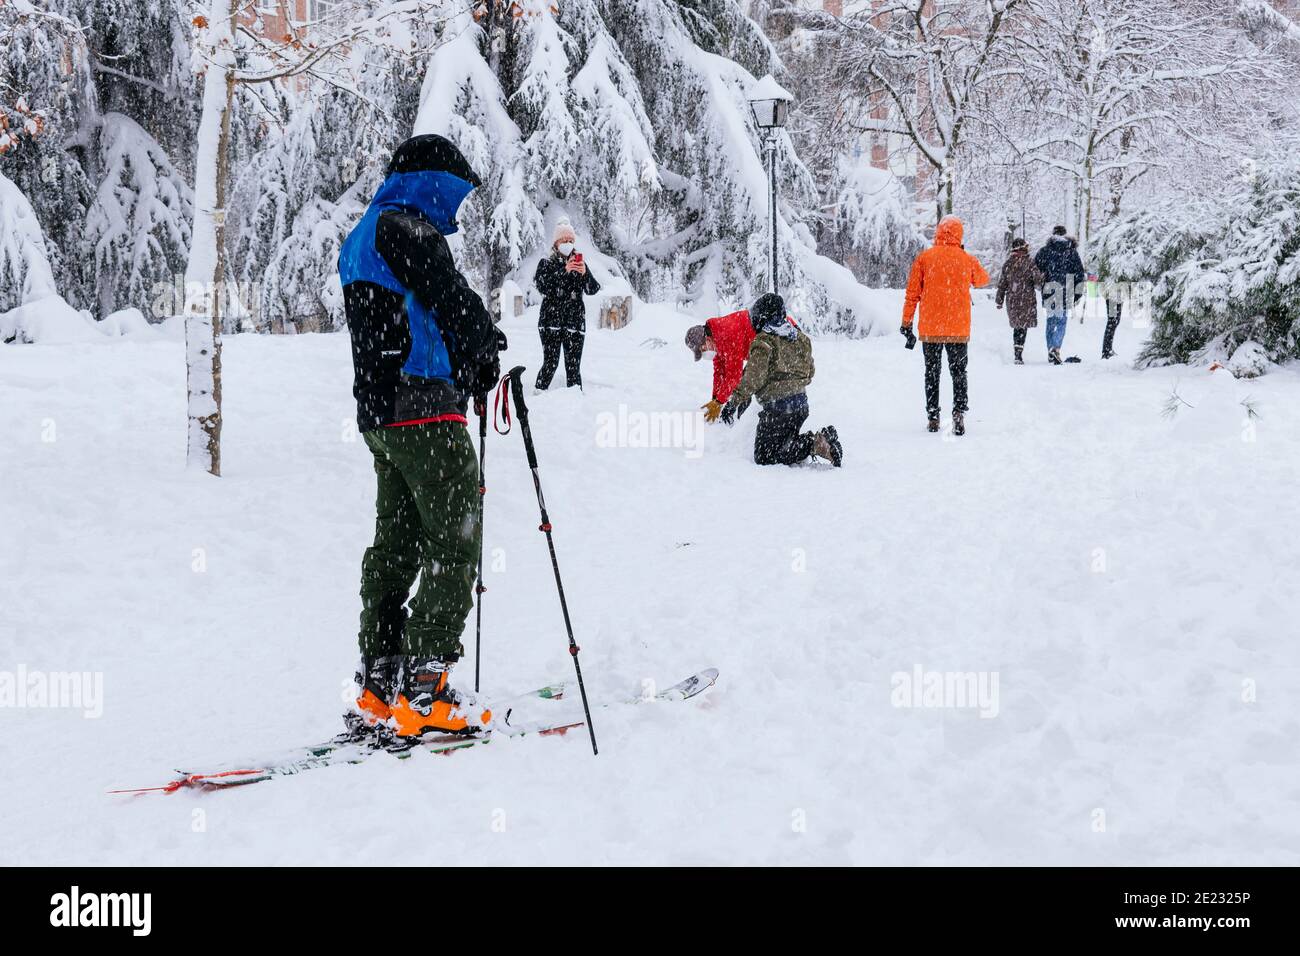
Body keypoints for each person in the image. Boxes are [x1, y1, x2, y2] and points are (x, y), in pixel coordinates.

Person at [337, 134, 504, 739]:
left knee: (396, 541)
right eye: (454, 196)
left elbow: (413, 314)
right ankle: (427, 689)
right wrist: (482, 346)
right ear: (430, 183)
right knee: (454, 537)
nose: (455, 212)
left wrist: (466, 356)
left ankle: (381, 682)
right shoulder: (405, 229)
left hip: (381, 416)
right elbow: (449, 300)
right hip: (424, 411)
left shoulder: (366, 233)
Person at [719, 292, 842, 467]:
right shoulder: (800, 338)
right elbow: (810, 372)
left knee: (765, 457)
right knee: (784, 443)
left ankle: (815, 444)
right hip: (800, 406)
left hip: (778, 409)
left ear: (762, 317)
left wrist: (733, 403)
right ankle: (818, 441)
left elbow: (753, 378)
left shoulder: (764, 341)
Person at [900, 215, 989, 435]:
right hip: (957, 329)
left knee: (932, 373)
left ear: (938, 233)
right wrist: (962, 255)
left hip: (931, 329)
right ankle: (958, 412)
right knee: (959, 372)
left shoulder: (925, 258)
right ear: (959, 234)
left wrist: (906, 321)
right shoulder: (965, 259)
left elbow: (912, 294)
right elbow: (982, 279)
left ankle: (933, 416)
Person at [533, 220, 600, 390]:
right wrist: (564, 271)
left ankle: (576, 404)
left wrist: (585, 274)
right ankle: (538, 396)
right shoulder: (546, 264)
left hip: (574, 323)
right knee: (550, 364)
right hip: (551, 322)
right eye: (564, 241)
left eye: (571, 241)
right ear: (556, 243)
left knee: (573, 369)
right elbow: (544, 287)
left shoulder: (580, 264)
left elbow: (593, 289)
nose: (568, 244)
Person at [685, 309, 755, 421]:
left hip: (777, 340)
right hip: (758, 351)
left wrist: (719, 401)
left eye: (702, 349)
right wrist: (714, 398)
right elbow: (719, 373)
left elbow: (734, 376)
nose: (703, 353)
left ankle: (743, 422)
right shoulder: (716, 340)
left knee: (747, 383)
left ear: (707, 340)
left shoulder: (727, 334)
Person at [1033, 225, 1087, 365]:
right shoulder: (1071, 252)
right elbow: (1079, 274)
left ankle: (1051, 348)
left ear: (1053, 234)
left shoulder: (1045, 251)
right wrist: (1078, 293)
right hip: (1066, 288)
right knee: (1062, 321)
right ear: (1065, 235)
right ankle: (1056, 348)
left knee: (1051, 321)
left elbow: (1036, 269)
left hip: (1050, 288)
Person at [995, 237, 1044, 365]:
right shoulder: (1030, 263)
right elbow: (1038, 281)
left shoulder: (1008, 264)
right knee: (1023, 327)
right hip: (1026, 299)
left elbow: (1002, 284)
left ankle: (1017, 353)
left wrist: (999, 300)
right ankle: (1019, 353)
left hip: (1012, 299)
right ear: (1023, 248)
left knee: (1017, 326)